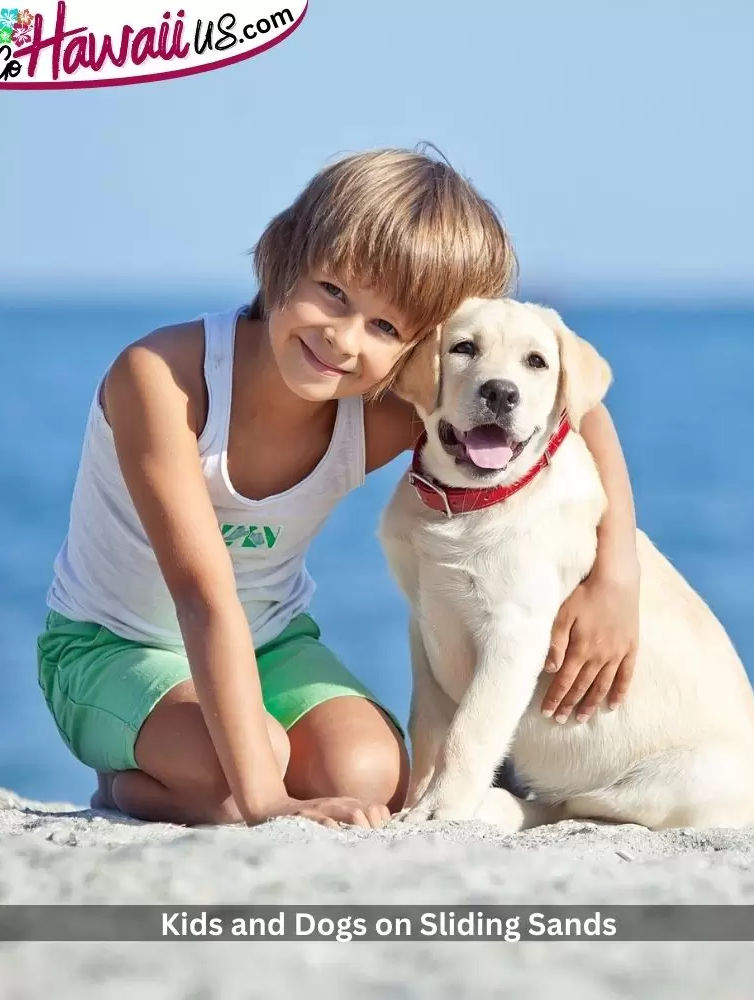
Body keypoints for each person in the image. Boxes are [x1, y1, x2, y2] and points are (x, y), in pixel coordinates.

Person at [36, 148, 640, 831]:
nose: (343, 339)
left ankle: (227, 762)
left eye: (386, 328)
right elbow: (203, 598)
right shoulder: (165, 378)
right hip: (114, 645)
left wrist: (616, 576)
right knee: (237, 782)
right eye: (332, 291)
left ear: (421, 350)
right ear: (283, 254)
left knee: (373, 776)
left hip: (272, 642)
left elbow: (582, 413)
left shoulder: (382, 411)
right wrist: (269, 806)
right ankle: (125, 786)